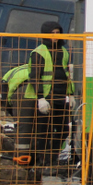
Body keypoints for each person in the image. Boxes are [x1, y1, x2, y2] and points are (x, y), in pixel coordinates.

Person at [26, 21, 75, 171]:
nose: (55, 36)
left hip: (61, 97)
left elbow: (66, 74)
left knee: (63, 130)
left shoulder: (64, 51)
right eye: (52, 33)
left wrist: (70, 94)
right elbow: (35, 76)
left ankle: (52, 158)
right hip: (46, 98)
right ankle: (41, 161)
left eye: (57, 33)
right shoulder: (39, 52)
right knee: (43, 131)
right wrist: (40, 98)